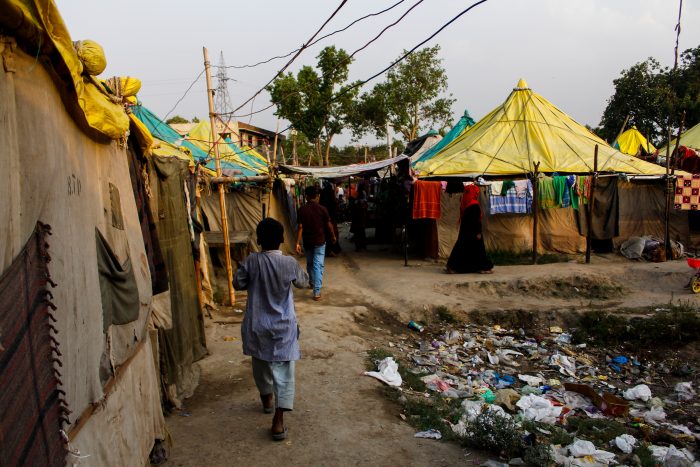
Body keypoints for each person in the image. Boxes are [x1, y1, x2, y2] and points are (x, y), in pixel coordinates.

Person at [234, 218, 309, 441]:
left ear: (258, 240)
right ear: (282, 239)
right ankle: (278, 421)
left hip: (258, 325)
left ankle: (266, 399)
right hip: (283, 327)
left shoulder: (251, 261)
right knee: (284, 373)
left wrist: (241, 270)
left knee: (260, 364)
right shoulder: (289, 263)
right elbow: (303, 283)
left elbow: (238, 284)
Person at [296, 186, 336, 300]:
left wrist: (297, 243)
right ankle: (316, 292)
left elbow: (300, 227)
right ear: (317, 196)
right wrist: (333, 236)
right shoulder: (322, 209)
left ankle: (312, 282)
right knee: (318, 265)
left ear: (306, 196)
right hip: (320, 241)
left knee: (310, 263)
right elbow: (329, 224)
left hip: (307, 241)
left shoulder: (302, 209)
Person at [446, 184, 494, 274]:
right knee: (478, 250)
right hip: (474, 233)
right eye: (476, 192)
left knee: (462, 248)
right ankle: (482, 268)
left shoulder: (466, 205)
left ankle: (453, 267)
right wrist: (478, 232)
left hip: (465, 233)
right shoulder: (474, 205)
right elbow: (476, 221)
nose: (477, 194)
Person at [319, 182, 341, 256]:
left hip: (324, 217)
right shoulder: (331, 194)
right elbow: (335, 204)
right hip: (331, 216)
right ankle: (332, 250)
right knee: (332, 232)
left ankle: (328, 250)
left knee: (326, 233)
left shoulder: (322, 194)